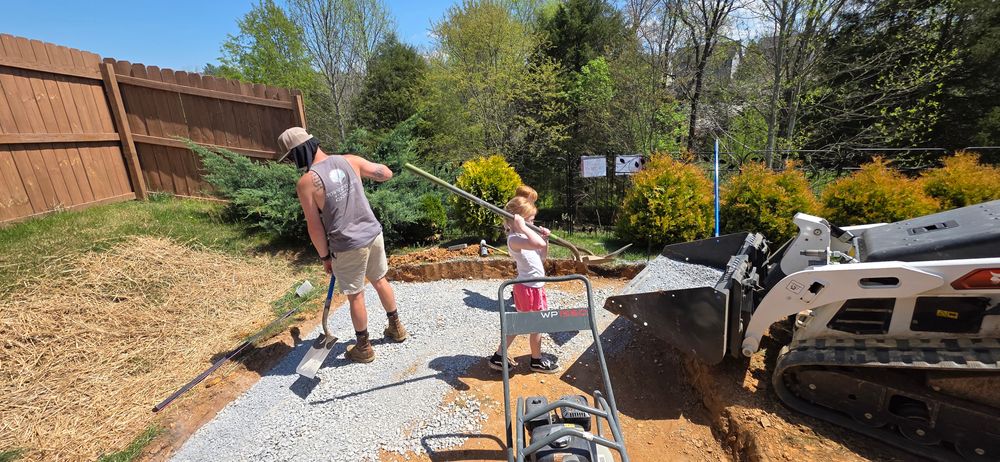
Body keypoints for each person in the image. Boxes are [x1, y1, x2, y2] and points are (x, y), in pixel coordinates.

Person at [278, 127, 407, 363]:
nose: (291, 163)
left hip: (347, 245)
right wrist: (375, 174)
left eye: (290, 158)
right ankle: (396, 328)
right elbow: (385, 173)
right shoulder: (350, 160)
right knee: (380, 280)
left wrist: (325, 257)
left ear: (298, 153)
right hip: (373, 234)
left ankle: (364, 347)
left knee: (356, 296)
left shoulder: (307, 183)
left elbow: (315, 227)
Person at [489, 185, 560, 374]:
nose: (533, 224)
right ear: (517, 221)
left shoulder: (523, 237)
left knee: (521, 325)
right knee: (536, 325)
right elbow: (536, 242)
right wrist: (524, 229)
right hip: (528, 289)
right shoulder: (514, 239)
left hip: (533, 287)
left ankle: (499, 356)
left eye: (533, 221)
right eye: (530, 221)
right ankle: (536, 360)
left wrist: (545, 240)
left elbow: (541, 255)